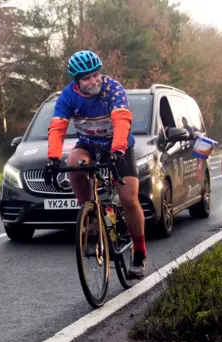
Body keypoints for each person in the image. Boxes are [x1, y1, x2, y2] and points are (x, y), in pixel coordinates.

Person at [43, 50, 147, 279]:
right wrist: (52, 159)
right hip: (89, 144)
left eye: (96, 74)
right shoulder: (68, 96)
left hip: (118, 145)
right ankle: (89, 213)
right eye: (87, 78)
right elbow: (58, 127)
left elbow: (121, 120)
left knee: (129, 198)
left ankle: (139, 252)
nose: (94, 81)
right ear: (76, 81)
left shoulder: (112, 89)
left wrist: (118, 150)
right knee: (73, 162)